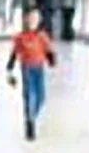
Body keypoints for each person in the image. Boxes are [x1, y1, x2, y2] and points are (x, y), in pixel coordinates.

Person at [6, 10, 55, 141]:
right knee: (29, 94)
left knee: (41, 96)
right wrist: (9, 69)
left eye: (35, 19)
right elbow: (14, 53)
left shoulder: (42, 36)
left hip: (39, 67)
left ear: (39, 21)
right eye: (30, 19)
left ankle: (32, 114)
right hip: (26, 67)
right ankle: (30, 122)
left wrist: (51, 60)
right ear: (26, 20)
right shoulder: (20, 37)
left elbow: (48, 50)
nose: (32, 22)